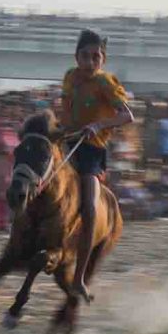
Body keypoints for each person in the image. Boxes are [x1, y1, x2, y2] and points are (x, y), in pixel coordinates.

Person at [58, 29, 134, 302]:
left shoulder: (106, 83)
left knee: (89, 205)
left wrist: (99, 125)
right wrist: (60, 130)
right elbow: (65, 109)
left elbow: (127, 115)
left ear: (102, 59)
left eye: (96, 57)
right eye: (85, 57)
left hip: (91, 151)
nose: (90, 62)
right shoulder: (70, 78)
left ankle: (79, 277)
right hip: (67, 143)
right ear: (76, 57)